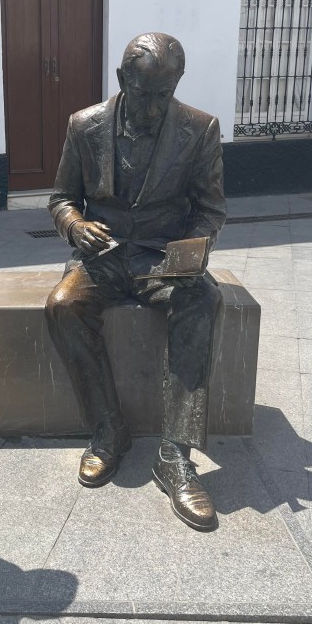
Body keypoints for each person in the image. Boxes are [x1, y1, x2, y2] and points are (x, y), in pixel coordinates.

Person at [45, 33, 227, 531]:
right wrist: (76, 227)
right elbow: (61, 198)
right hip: (100, 258)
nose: (152, 107)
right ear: (123, 79)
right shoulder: (85, 125)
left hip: (161, 256)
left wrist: (193, 250)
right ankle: (108, 430)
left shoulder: (200, 128)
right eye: (144, 94)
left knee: (202, 297)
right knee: (62, 304)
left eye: (163, 94)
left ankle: (174, 454)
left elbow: (210, 210)